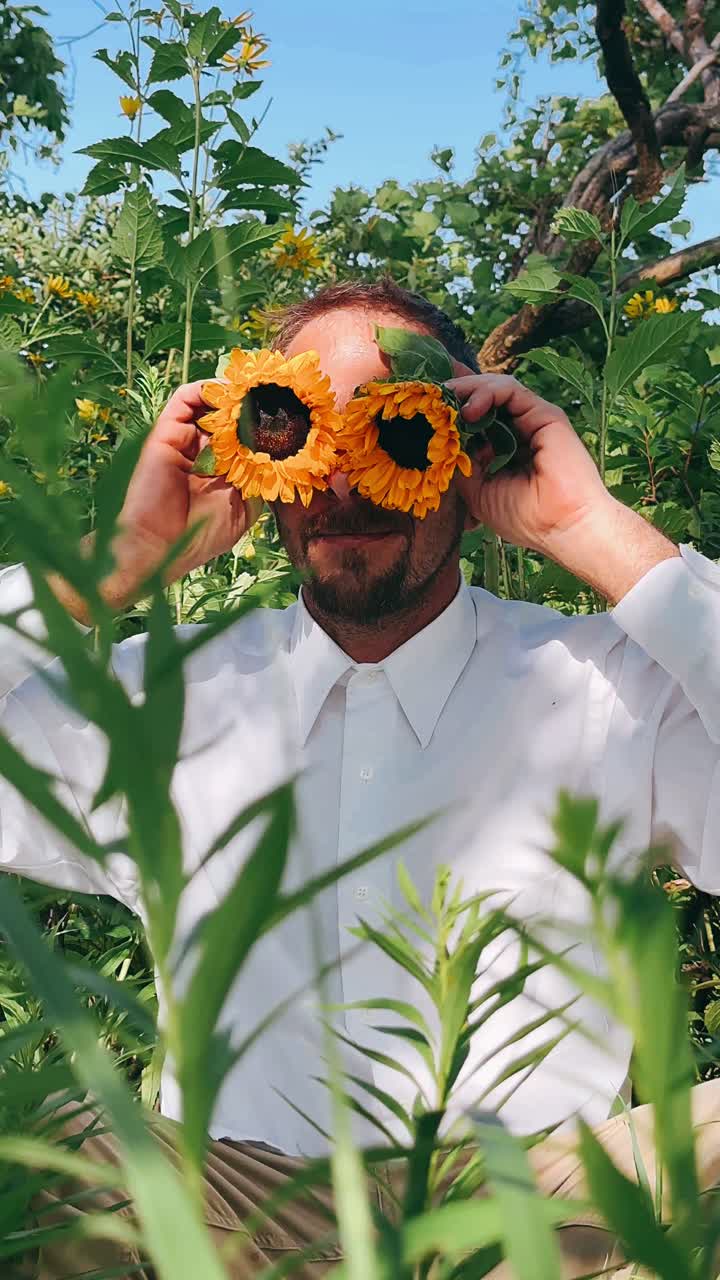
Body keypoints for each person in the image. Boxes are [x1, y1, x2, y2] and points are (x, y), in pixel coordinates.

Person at [1, 277, 719, 1279]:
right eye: (301, 430)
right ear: (261, 465)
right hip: (234, 1211)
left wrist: (594, 533)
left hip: (539, 1226)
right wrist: (115, 564)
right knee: (38, 1129)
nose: (347, 482)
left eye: (399, 433)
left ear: (472, 455)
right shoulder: (168, 698)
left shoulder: (605, 688)